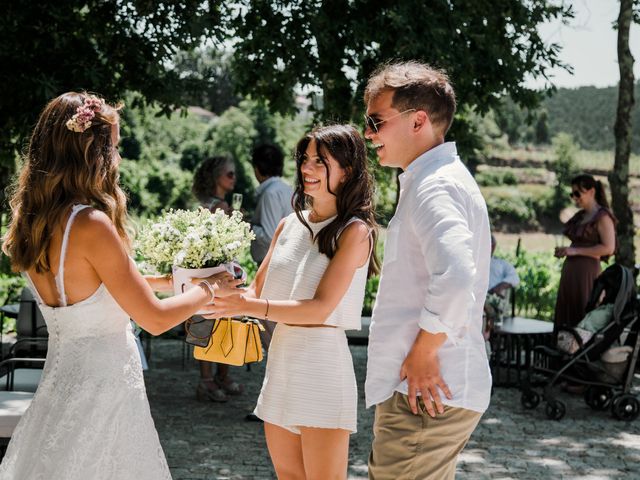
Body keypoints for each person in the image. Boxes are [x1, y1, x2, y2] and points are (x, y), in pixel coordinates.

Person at [0, 92, 240, 479]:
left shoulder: (34, 223)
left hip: (63, 386)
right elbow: (156, 320)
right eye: (114, 147)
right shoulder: (90, 223)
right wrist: (211, 290)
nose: (119, 158)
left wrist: (178, 280)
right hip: (105, 392)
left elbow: (93, 287)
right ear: (89, 153)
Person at [202, 124, 379, 479]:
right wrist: (205, 289)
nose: (307, 169)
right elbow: (254, 292)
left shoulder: (355, 231)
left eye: (320, 161)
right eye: (305, 159)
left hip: (323, 370)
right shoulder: (287, 225)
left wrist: (248, 306)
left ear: (347, 170)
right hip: (281, 366)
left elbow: (320, 309)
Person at [363, 61, 492, 479]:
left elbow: (456, 275)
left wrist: (423, 352)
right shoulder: (432, 179)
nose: (368, 134)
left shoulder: (435, 184)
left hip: (425, 389)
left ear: (418, 120)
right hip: (429, 389)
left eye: (375, 121)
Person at [192, 156, 244, 402]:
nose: (234, 178)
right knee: (221, 322)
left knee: (206, 322)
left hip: (203, 268)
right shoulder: (220, 206)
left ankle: (209, 379)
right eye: (230, 174)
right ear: (217, 177)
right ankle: (216, 378)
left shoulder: (205, 203)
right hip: (220, 269)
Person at [553, 174, 617, 334]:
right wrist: (566, 251)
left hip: (587, 273)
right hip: (570, 273)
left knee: (582, 312)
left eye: (577, 193)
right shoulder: (579, 216)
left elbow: (609, 248)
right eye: (572, 194)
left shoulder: (602, 217)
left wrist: (574, 251)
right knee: (566, 313)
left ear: (591, 191)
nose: (574, 198)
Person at [249, 143, 293, 265]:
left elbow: (269, 236)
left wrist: (247, 226)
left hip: (269, 263)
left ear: (257, 168)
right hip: (286, 258)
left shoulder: (270, 193)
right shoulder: (288, 189)